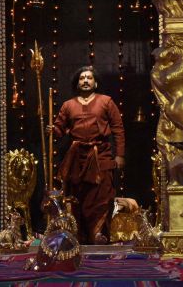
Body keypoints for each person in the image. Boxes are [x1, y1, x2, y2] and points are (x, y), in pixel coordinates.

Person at [46, 66, 125, 245]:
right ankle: (80, 238)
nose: (86, 81)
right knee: (77, 198)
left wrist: (120, 155)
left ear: (95, 83)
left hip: (101, 155)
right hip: (77, 159)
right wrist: (53, 130)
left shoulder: (106, 101)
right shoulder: (68, 105)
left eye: (89, 78)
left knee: (101, 198)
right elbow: (60, 129)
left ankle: (99, 236)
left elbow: (118, 129)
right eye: (82, 78)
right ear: (77, 83)